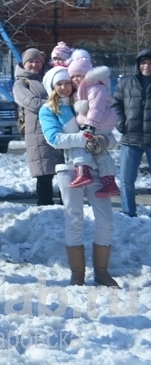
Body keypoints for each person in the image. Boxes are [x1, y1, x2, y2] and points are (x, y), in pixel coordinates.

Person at [39, 66, 119, 288]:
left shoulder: (85, 101)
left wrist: (105, 142)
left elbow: (109, 135)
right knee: (74, 218)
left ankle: (102, 271)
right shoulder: (48, 110)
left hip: (98, 169)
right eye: (60, 84)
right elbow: (54, 139)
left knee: (106, 219)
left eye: (68, 82)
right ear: (52, 87)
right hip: (68, 169)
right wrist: (84, 138)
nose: (65, 87)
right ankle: (77, 274)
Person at [12, 48, 59, 205]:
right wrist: (54, 104)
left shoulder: (49, 78)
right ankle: (45, 206)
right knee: (44, 172)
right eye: (30, 61)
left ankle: (66, 205)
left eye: (37, 61)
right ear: (24, 64)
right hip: (37, 132)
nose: (34, 64)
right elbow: (30, 102)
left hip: (57, 128)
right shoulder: (21, 83)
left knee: (63, 170)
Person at [68, 66, 120, 197]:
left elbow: (96, 109)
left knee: (84, 146)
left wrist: (89, 126)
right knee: (99, 152)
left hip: (98, 124)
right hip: (97, 124)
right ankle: (109, 183)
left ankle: (84, 173)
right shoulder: (83, 89)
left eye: (78, 76)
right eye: (72, 77)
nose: (75, 79)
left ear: (87, 75)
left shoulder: (96, 87)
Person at [113, 48, 151, 219]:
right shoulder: (126, 83)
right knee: (126, 180)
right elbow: (115, 104)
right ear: (138, 64)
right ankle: (129, 213)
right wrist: (121, 123)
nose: (147, 66)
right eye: (143, 63)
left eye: (150, 63)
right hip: (131, 138)